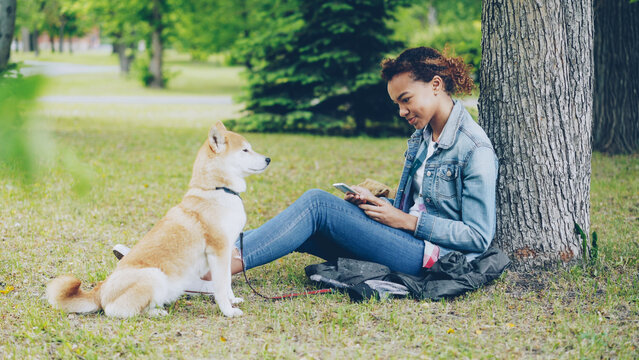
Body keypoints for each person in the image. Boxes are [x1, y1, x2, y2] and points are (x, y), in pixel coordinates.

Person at [113, 46, 498, 291]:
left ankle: (212, 267)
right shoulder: (423, 136)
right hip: (407, 242)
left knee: (316, 205)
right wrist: (379, 201)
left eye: (405, 100)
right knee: (305, 225)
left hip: (433, 258)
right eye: (397, 102)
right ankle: (188, 260)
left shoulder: (474, 149)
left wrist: (405, 221)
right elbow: (416, 204)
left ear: (435, 85)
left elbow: (478, 237)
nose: (401, 111)